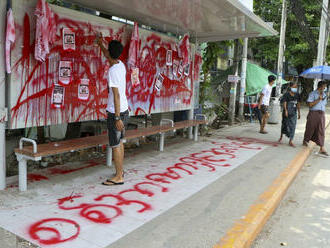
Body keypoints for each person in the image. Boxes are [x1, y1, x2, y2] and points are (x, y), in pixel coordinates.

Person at [97, 35, 129, 185]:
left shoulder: (112, 71)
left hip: (117, 113)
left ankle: (118, 177)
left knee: (115, 145)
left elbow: (115, 95)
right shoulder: (120, 65)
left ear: (111, 53)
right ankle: (120, 171)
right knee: (120, 142)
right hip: (124, 110)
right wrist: (100, 44)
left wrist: (116, 118)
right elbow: (108, 56)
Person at [303, 81, 328, 157]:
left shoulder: (324, 94)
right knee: (310, 128)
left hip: (321, 114)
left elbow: (324, 104)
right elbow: (310, 105)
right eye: (324, 87)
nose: (324, 88)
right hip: (313, 113)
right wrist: (318, 100)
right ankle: (306, 140)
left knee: (321, 130)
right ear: (320, 87)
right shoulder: (313, 94)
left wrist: (322, 98)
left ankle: (321, 147)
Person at [278, 82, 301, 147]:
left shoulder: (297, 94)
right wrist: (285, 110)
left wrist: (299, 112)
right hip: (287, 111)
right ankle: (281, 136)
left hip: (294, 112)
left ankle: (291, 140)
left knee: (293, 126)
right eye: (294, 87)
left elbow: (298, 103)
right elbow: (284, 102)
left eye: (296, 87)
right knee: (284, 124)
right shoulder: (286, 94)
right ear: (291, 87)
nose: (295, 88)